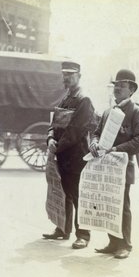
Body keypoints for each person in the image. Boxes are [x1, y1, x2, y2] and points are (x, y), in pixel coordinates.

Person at [89, 69, 139, 259]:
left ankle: (125, 244)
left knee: (122, 205)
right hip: (106, 166)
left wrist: (116, 149)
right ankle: (113, 242)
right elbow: (96, 132)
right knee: (108, 204)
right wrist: (94, 142)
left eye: (122, 86)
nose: (117, 89)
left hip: (122, 165)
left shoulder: (135, 112)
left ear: (132, 90)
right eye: (116, 86)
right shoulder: (107, 112)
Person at [43, 62, 97, 249]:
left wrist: (56, 147)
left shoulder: (84, 100)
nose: (66, 78)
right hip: (61, 153)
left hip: (76, 156)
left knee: (77, 195)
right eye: (64, 75)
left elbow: (75, 131)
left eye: (71, 75)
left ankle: (83, 235)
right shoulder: (65, 99)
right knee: (62, 192)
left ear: (79, 76)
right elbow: (53, 124)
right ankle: (62, 229)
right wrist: (50, 138)